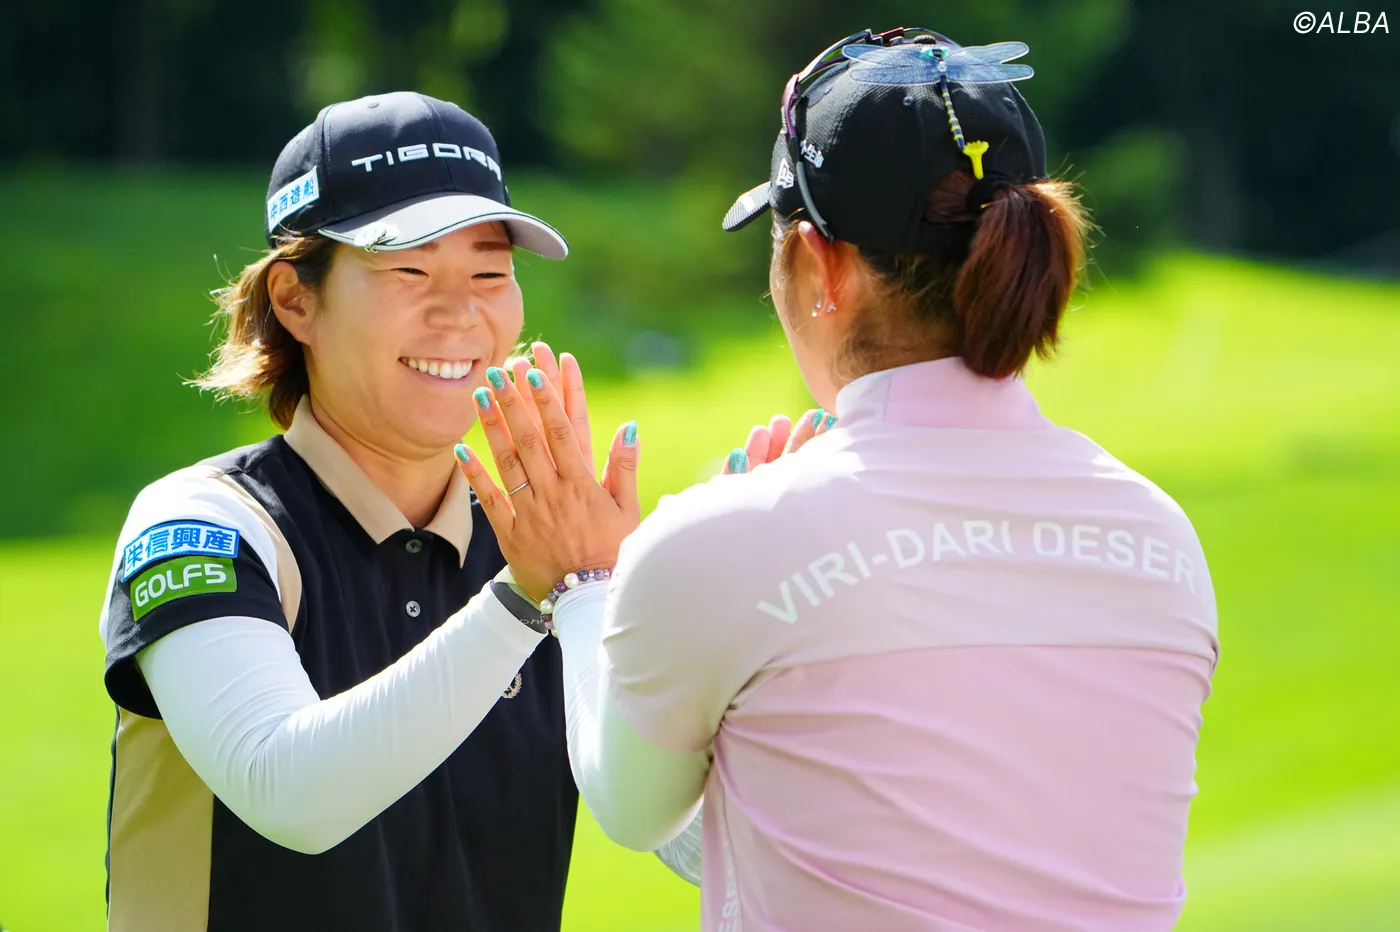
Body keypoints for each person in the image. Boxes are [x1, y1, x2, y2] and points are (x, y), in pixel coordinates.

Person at [455, 26, 1220, 932]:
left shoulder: (724, 541)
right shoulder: (1161, 536)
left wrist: (588, 586)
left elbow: (634, 807)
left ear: (820, 265)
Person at [97, 91, 645, 932]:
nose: (461, 312)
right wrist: (528, 595)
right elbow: (290, 790)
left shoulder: (556, 547)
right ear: (295, 299)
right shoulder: (203, 525)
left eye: (491, 273)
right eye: (408, 271)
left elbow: (669, 823)